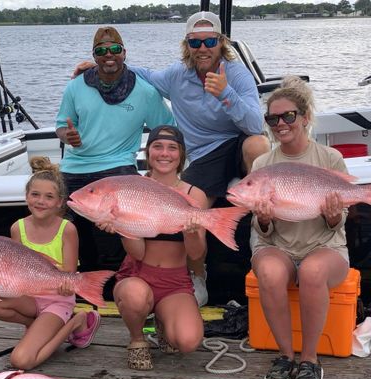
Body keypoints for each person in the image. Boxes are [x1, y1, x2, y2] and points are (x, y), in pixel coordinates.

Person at [73, 12, 270, 304]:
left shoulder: (236, 73)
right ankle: (197, 275)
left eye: (209, 41)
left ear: (221, 42)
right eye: (195, 42)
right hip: (204, 156)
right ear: (187, 45)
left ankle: (267, 223)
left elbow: (255, 124)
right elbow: (146, 75)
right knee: (192, 208)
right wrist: (105, 66)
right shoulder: (178, 76)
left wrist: (225, 93)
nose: (202, 48)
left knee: (258, 144)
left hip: (237, 143)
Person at [250, 76, 349, 379]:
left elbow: (339, 223)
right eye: (273, 118)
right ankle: (285, 355)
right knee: (267, 271)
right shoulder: (262, 163)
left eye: (289, 116)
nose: (281, 124)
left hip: (325, 245)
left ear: (305, 118)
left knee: (312, 271)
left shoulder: (330, 159)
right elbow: (261, 230)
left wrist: (334, 216)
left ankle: (310, 359)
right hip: (277, 245)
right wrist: (264, 219)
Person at [56, 26, 174, 271]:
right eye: (101, 50)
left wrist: (163, 166)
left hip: (117, 165)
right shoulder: (76, 87)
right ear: (95, 56)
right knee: (69, 230)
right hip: (75, 166)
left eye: (114, 49)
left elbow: (167, 130)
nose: (108, 54)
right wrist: (68, 136)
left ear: (124, 52)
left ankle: (117, 281)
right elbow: (60, 126)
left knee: (113, 238)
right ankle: (83, 278)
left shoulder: (145, 92)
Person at [96, 125, 206, 370]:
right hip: (138, 274)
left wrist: (191, 233)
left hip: (175, 282)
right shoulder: (132, 188)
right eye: (157, 146)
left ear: (181, 155)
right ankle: (137, 339)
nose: (164, 153)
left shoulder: (193, 194)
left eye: (172, 148)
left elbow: (197, 254)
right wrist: (122, 226)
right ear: (148, 152)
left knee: (188, 342)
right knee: (135, 296)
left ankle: (164, 323)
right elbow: (138, 253)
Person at [0, 157, 101, 370]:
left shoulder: (67, 229)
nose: (40, 201)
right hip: (28, 296)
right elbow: (14, 270)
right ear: (26, 197)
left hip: (57, 299)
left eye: (49, 196)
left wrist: (64, 282)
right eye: (35, 194)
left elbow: (70, 274)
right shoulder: (18, 227)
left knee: (21, 361)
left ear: (59, 202)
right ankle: (36, 326)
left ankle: (76, 321)